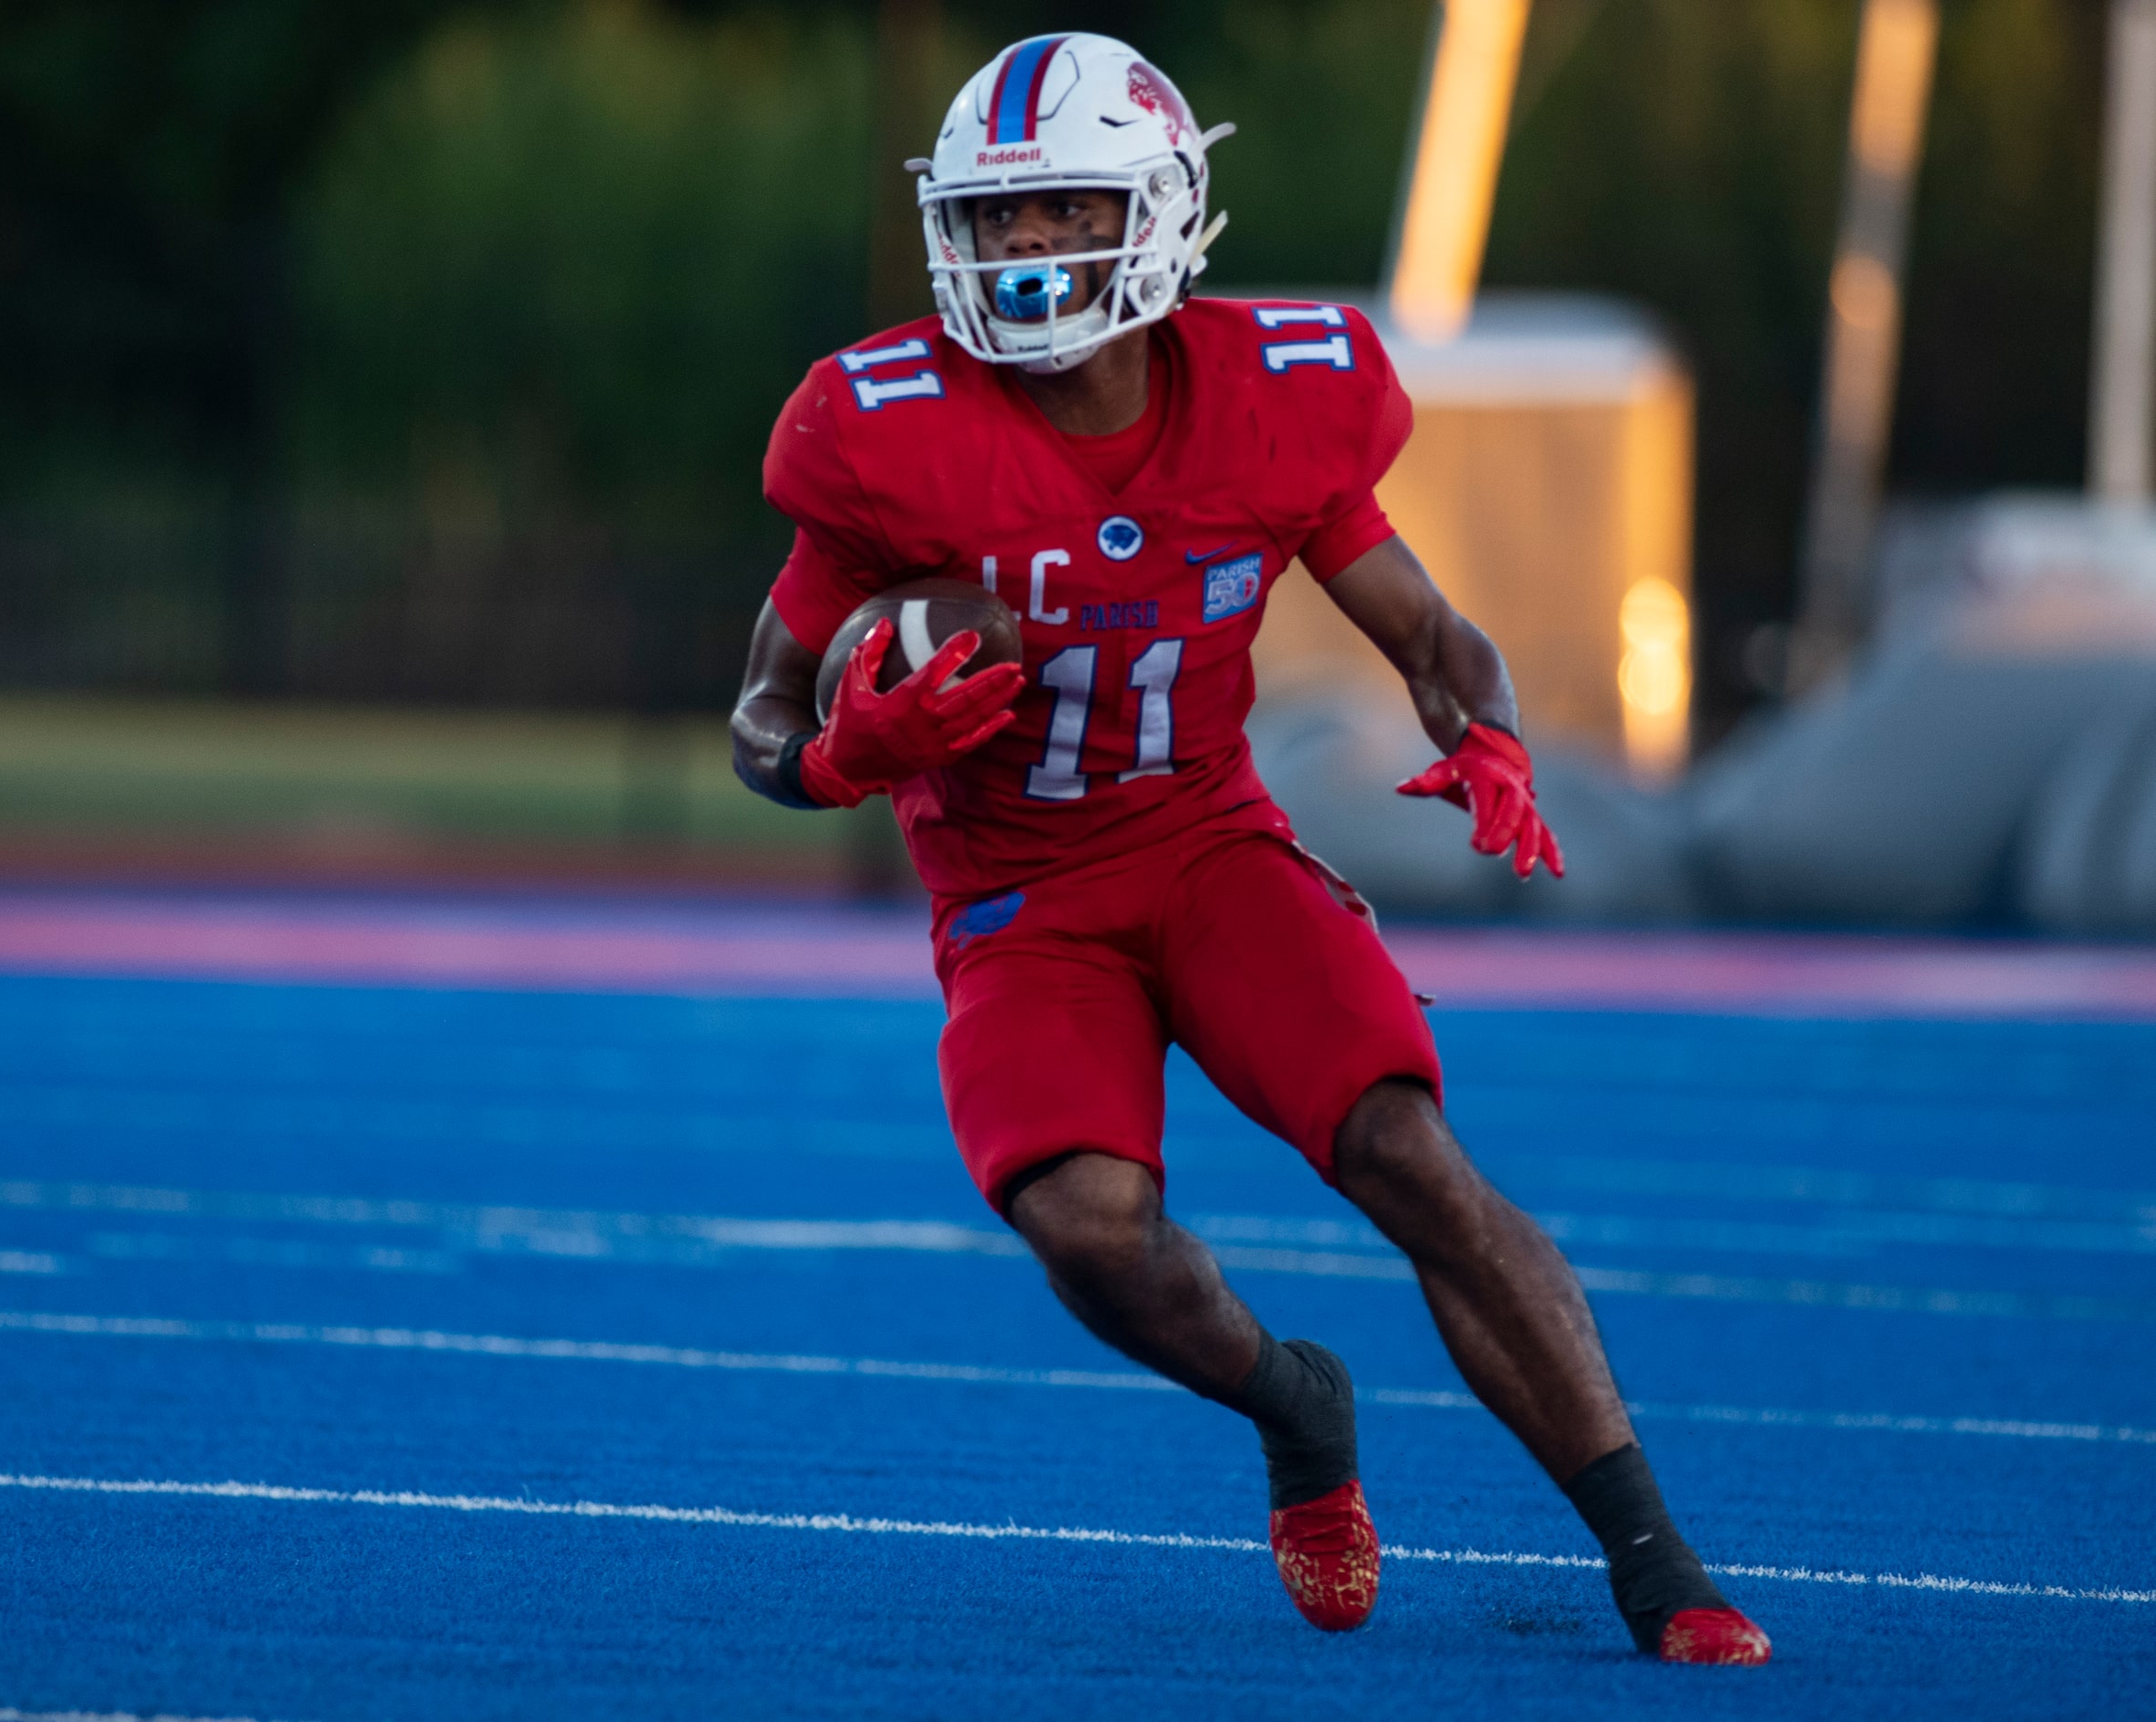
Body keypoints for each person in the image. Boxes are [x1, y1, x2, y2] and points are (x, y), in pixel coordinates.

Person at [729, 32, 1768, 1666]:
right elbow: (759, 721)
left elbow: (1429, 628)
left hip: (1210, 846)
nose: (1018, 252)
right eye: (993, 220)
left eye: (1057, 209)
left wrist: (1484, 731)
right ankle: (1294, 1406)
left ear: (1154, 211)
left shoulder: (1276, 389)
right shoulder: (883, 427)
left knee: (1408, 1157)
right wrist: (844, 753)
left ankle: (1657, 1556)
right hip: (1017, 901)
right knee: (1085, 1229)